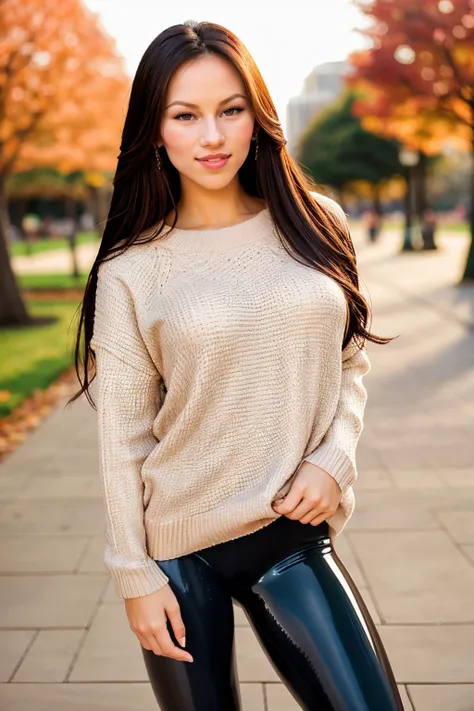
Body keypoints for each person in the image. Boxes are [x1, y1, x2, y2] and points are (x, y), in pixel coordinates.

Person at [69, 20, 404, 711]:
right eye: (185, 116)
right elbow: (124, 438)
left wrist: (333, 458)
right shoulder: (132, 269)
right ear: (155, 130)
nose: (213, 137)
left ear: (258, 112)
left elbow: (349, 361)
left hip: (290, 533)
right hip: (177, 552)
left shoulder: (319, 224)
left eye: (230, 109)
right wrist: (134, 573)